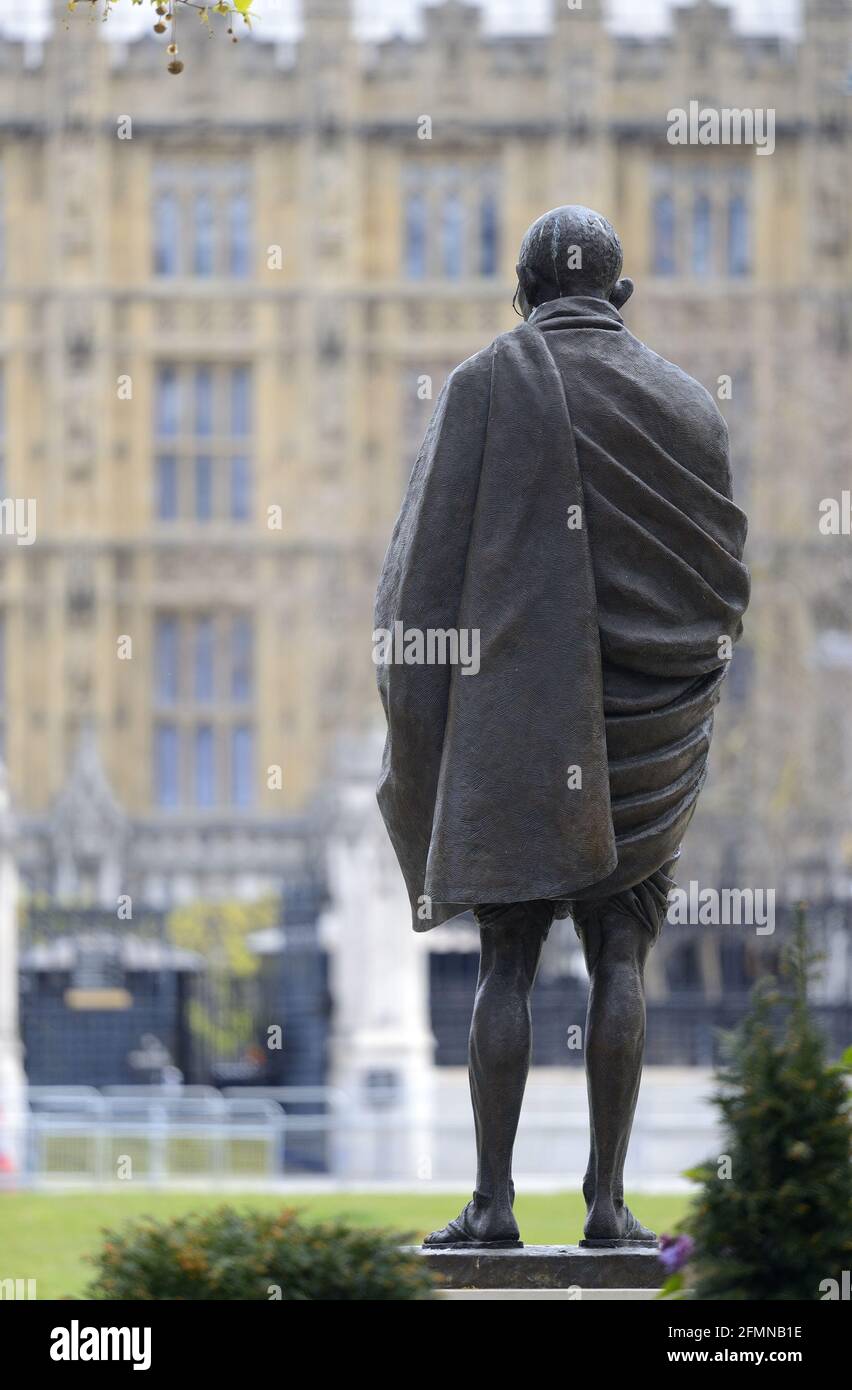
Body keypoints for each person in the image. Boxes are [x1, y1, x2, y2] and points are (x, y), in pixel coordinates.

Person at [374, 206, 750, 1247]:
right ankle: (609, 1206)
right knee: (621, 959)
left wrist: (419, 737)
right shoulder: (688, 405)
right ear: (618, 297)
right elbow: (722, 592)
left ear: (524, 295)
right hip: (650, 739)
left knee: (505, 963)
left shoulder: (485, 386)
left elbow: (417, 591)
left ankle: (492, 1206)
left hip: (521, 738)